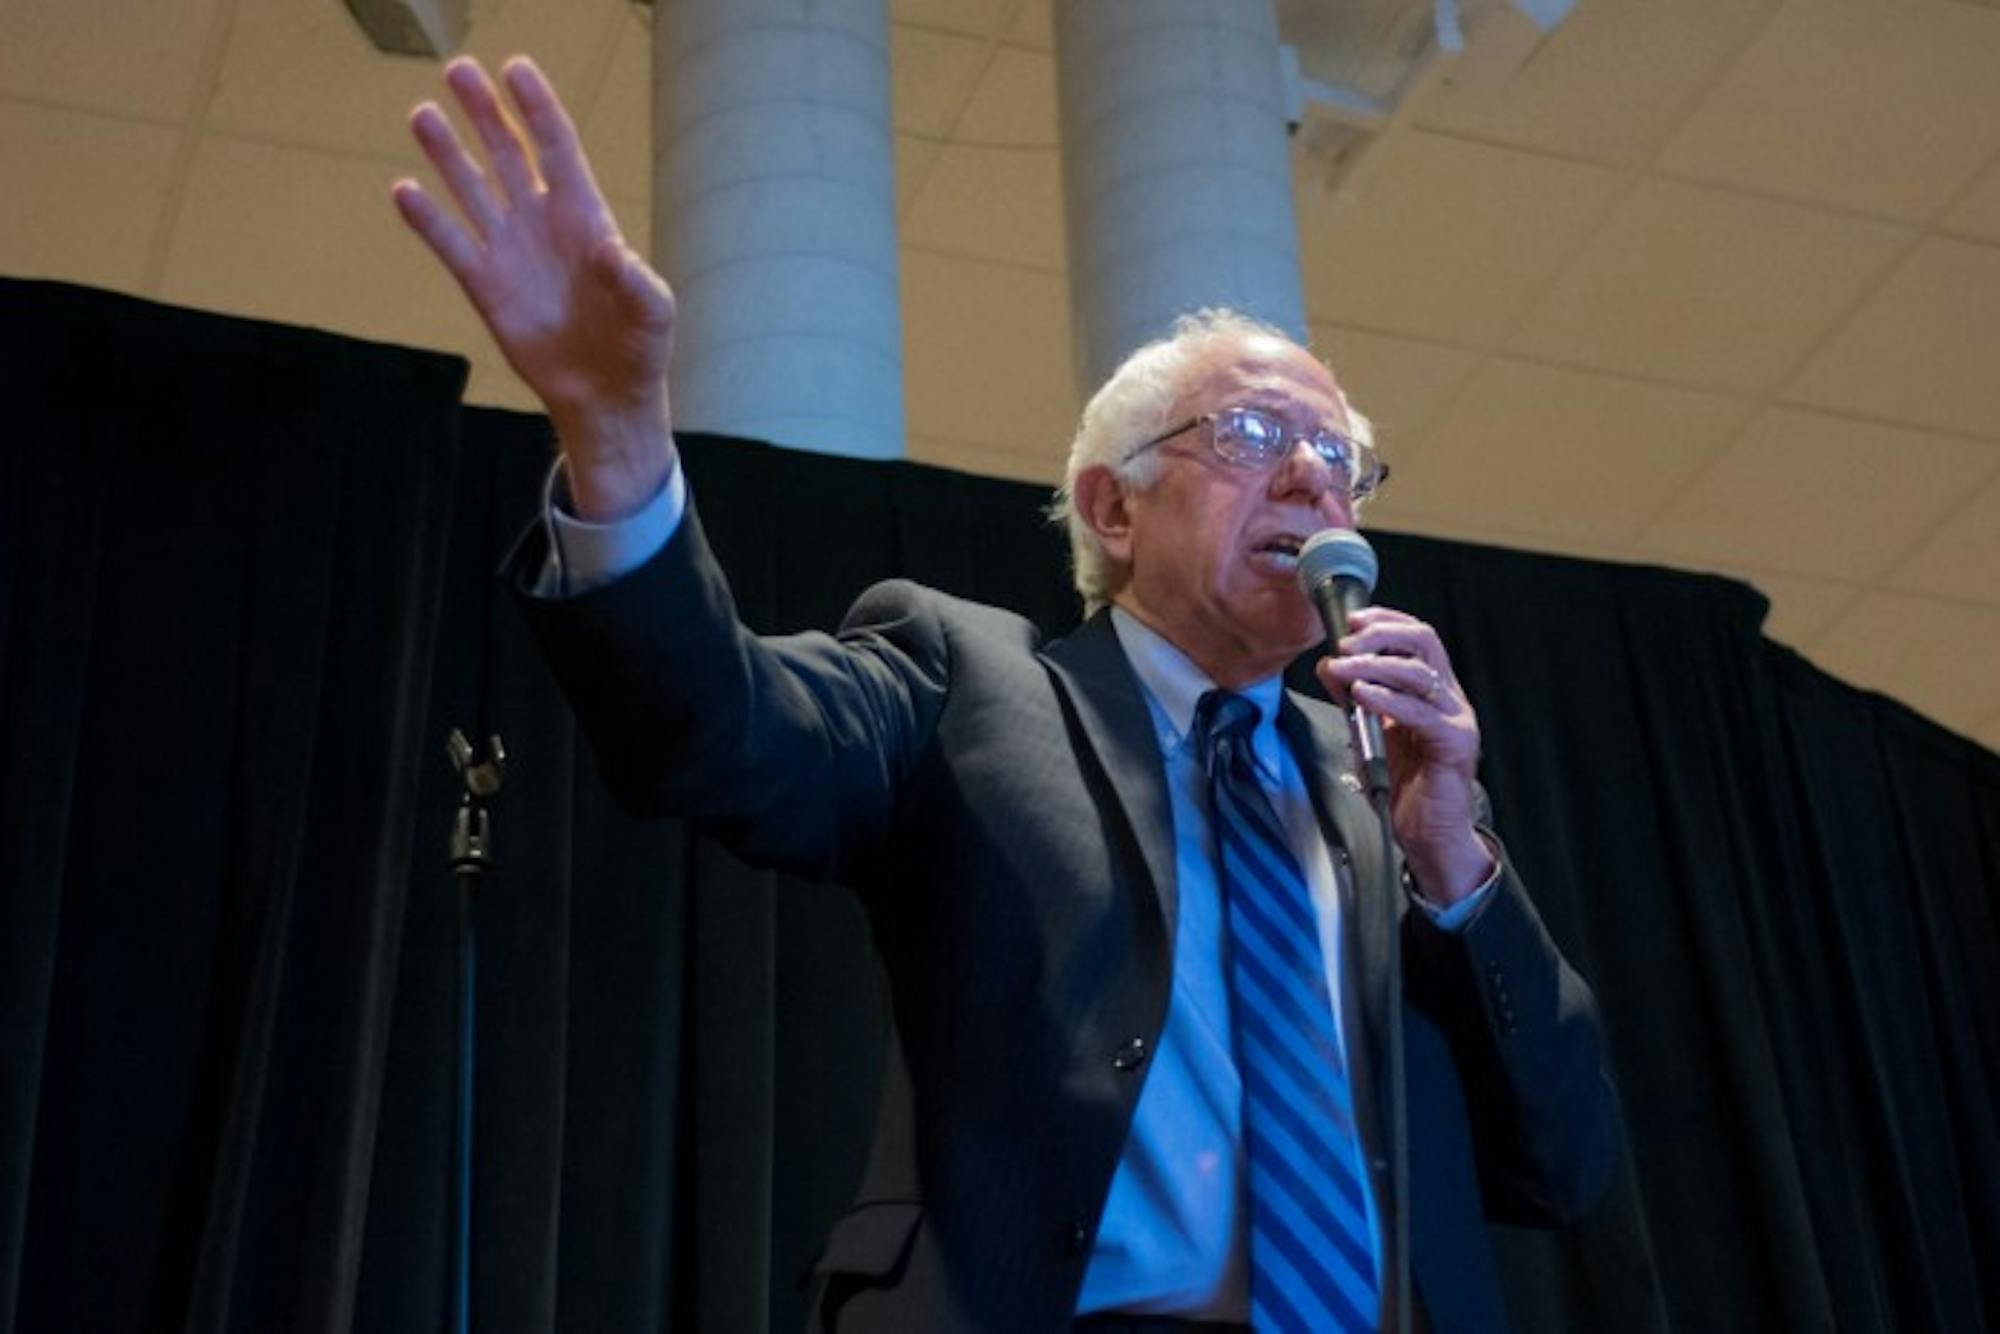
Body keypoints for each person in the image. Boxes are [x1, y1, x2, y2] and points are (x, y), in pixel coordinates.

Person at [396, 55, 1620, 1333]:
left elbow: (1560, 1161)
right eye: (1255, 437)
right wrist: (616, 440)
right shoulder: (964, 680)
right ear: (1113, 505)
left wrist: (1454, 858)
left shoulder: (1385, 789)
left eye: (1340, 461)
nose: (1313, 482)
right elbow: (713, 729)